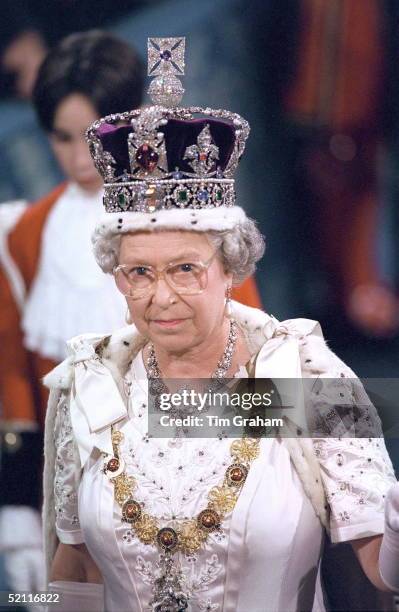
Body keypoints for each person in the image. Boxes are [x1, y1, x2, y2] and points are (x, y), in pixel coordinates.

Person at [42, 37, 399, 612]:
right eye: (139, 273)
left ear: (231, 267)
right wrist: (13, 597)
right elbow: (73, 572)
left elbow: (381, 570)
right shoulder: (93, 383)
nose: (161, 297)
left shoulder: (300, 378)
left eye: (185, 269)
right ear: (117, 279)